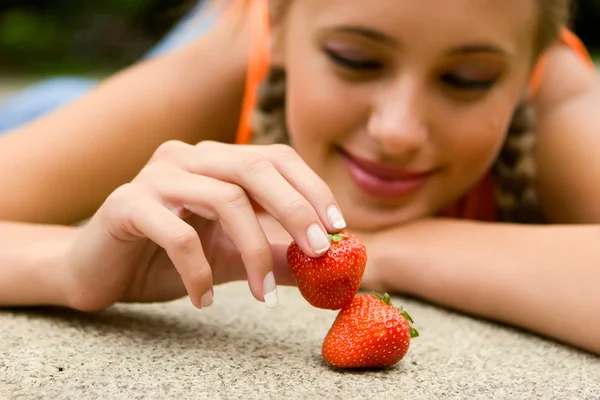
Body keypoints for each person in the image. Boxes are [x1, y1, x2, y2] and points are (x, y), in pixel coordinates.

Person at [1, 0, 599, 355]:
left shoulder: (564, 103)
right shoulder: (225, 66)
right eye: (354, 60)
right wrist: (69, 265)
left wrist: (393, 251)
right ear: (277, 29)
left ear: (529, 76)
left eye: (467, 79)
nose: (398, 129)